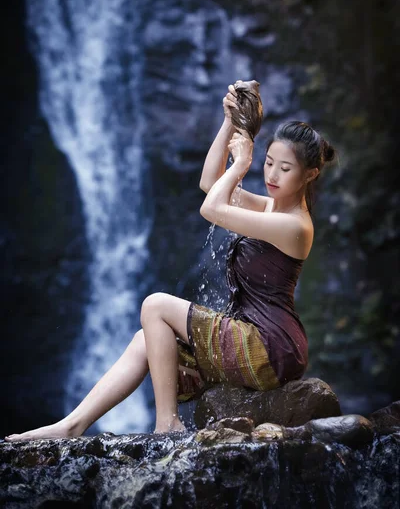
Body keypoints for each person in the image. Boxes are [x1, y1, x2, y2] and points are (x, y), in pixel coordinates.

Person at [5, 81, 336, 441]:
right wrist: (230, 123)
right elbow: (210, 183)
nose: (271, 175)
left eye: (284, 169)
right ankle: (71, 426)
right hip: (255, 336)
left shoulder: (295, 227)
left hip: (270, 346)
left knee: (156, 306)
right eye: (268, 162)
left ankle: (167, 424)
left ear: (310, 174)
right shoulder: (273, 207)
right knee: (146, 339)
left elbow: (212, 210)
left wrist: (242, 164)